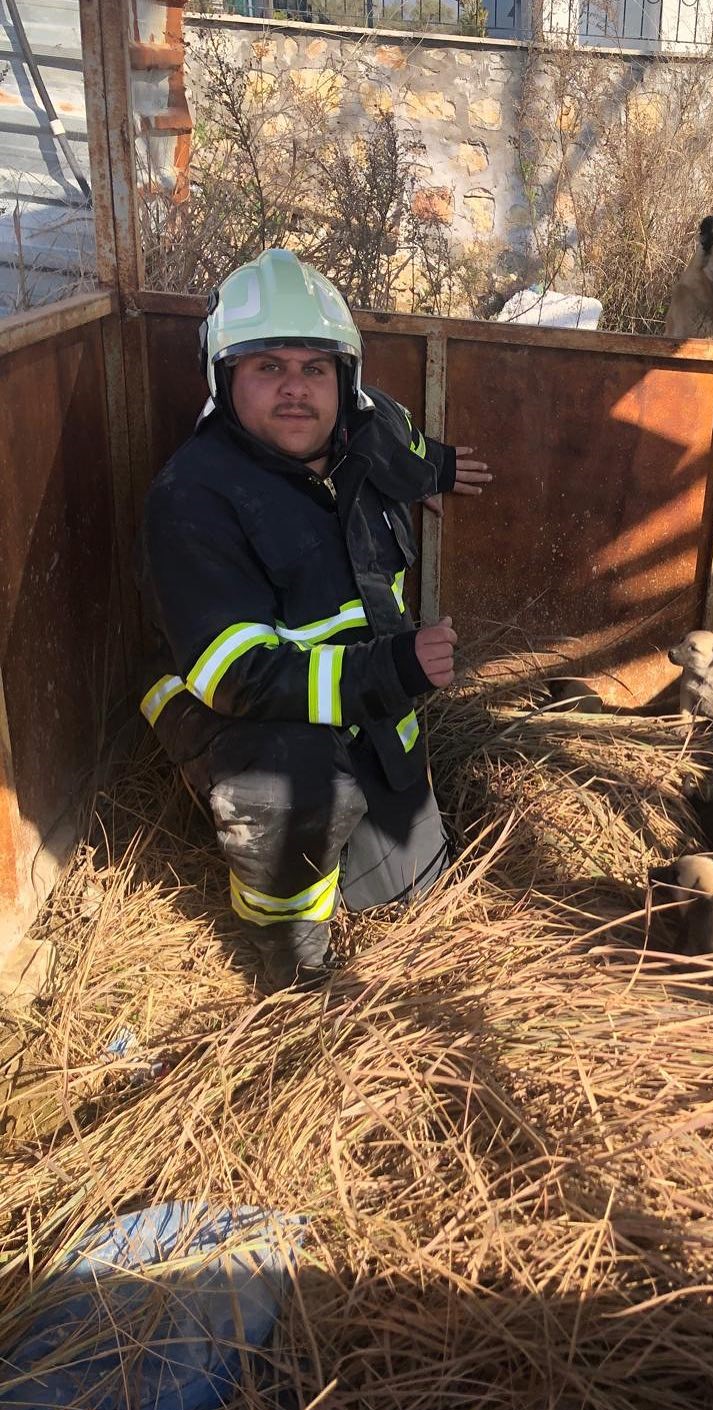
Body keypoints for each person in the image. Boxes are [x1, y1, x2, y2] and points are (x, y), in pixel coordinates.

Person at [137, 248, 493, 990]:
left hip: (358, 711)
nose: (295, 389)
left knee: (407, 885)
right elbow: (234, 673)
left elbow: (402, 443)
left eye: (315, 368)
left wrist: (440, 469)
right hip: (246, 716)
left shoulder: (360, 442)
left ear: (345, 382)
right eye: (268, 367)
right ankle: (289, 954)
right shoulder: (194, 496)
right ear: (223, 378)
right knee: (280, 784)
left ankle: (356, 827)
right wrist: (393, 670)